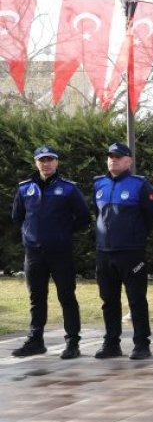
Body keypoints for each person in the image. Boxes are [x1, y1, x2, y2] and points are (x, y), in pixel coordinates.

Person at [10, 145, 91, 359]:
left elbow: (84, 217)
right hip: (34, 253)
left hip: (60, 252)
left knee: (66, 296)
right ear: (36, 163)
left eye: (50, 160)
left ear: (57, 162)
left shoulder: (68, 189)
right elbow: (18, 217)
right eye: (41, 160)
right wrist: (31, 234)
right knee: (36, 297)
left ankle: (72, 342)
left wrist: (63, 232)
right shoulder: (24, 188)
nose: (46, 164)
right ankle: (36, 341)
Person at [91, 142, 153, 360]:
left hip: (131, 252)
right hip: (105, 251)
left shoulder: (140, 185)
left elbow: (152, 216)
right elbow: (98, 214)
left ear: (128, 161)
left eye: (118, 157)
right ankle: (111, 343)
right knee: (108, 300)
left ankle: (142, 344)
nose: (113, 160)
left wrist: (135, 236)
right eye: (110, 156)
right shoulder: (98, 184)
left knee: (136, 299)